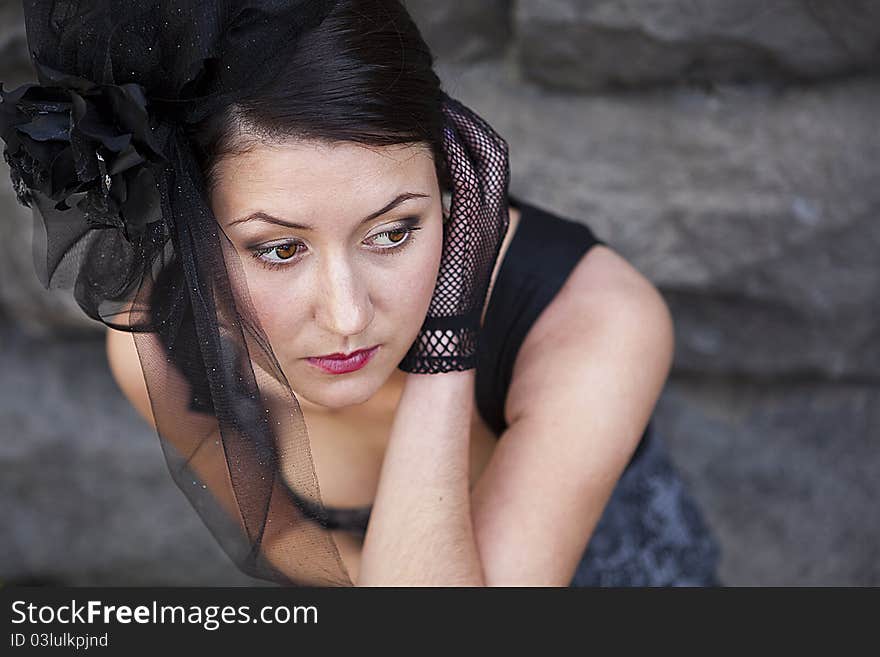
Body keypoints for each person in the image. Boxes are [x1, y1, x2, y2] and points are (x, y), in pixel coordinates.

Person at [3, 0, 721, 586]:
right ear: (187, 221)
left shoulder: (597, 322)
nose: (348, 314)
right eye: (280, 248)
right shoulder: (158, 354)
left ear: (453, 189)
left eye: (394, 232)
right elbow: (284, 535)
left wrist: (447, 336)